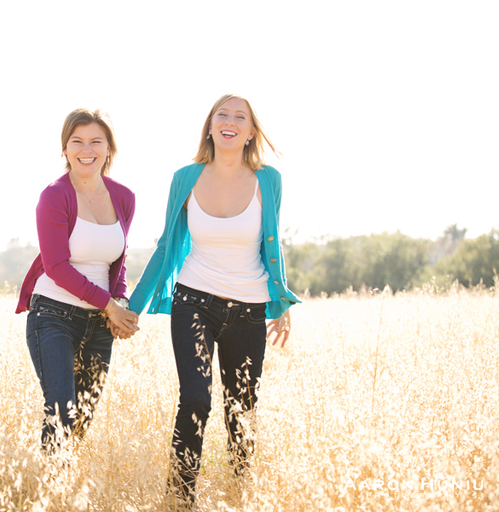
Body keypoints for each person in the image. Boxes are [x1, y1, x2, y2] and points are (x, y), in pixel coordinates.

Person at [128, 94, 301, 502]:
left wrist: (281, 301)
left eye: (240, 116)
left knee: (241, 410)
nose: (230, 121)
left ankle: (239, 494)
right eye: (221, 114)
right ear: (210, 126)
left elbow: (272, 245)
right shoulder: (185, 178)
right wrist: (131, 307)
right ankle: (180, 500)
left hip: (249, 308)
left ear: (250, 133)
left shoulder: (268, 180)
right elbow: (167, 246)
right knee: (195, 398)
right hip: (194, 302)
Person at [16, 108, 139, 453]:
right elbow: (55, 266)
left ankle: (63, 493)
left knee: (83, 418)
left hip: (101, 322)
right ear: (65, 149)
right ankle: (48, 499)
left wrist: (121, 304)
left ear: (109, 149)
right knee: (61, 413)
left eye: (96, 141)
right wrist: (110, 305)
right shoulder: (54, 196)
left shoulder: (124, 197)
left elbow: (118, 261)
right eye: (77, 141)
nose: (87, 149)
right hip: (53, 316)